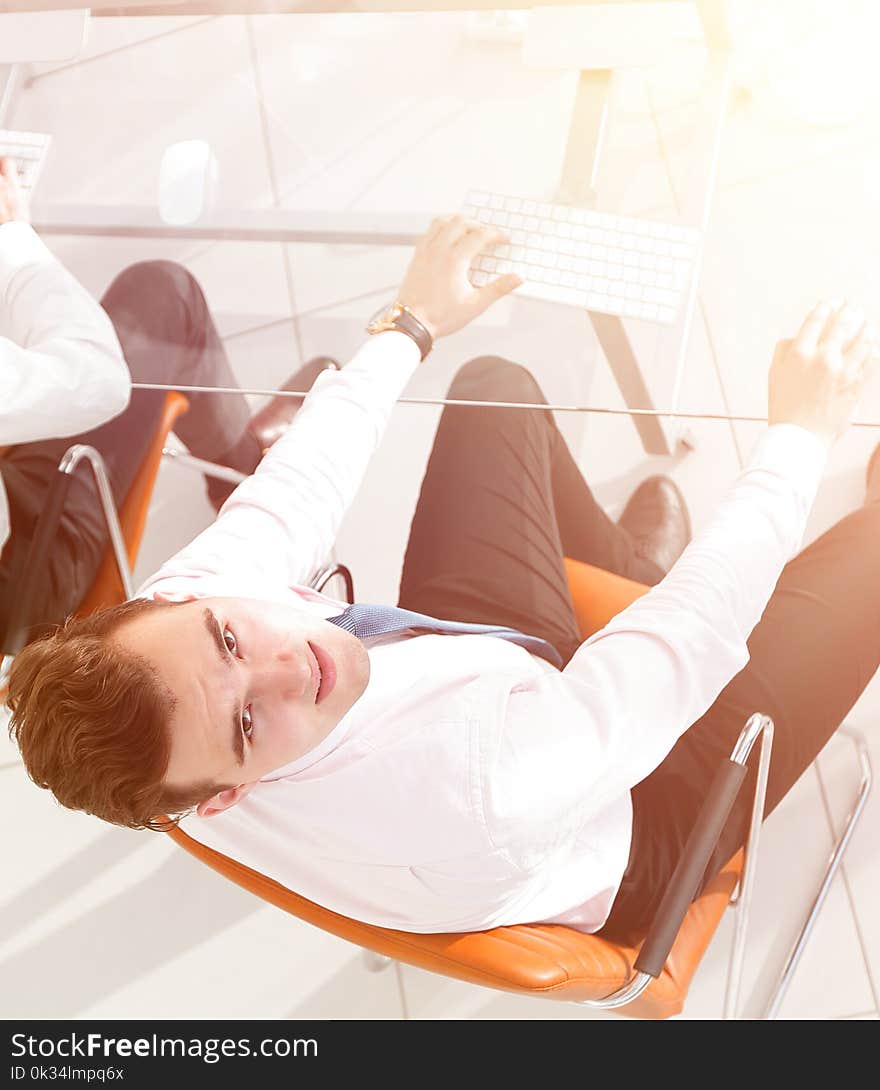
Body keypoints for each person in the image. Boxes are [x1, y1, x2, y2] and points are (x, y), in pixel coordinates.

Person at [7, 214, 878, 944]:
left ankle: (627, 566)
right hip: (624, 815)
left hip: (482, 684)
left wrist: (412, 321)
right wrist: (800, 434)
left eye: (230, 636)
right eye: (245, 721)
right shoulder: (492, 789)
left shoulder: (176, 633)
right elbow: (684, 643)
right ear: (227, 797)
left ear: (170, 602)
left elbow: (292, 492)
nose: (285, 664)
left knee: (492, 388)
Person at [0, 155, 335, 652]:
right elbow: (97, 378)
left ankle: (238, 462)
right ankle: (242, 466)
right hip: (24, 583)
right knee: (164, 293)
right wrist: (12, 234)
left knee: (156, 294)